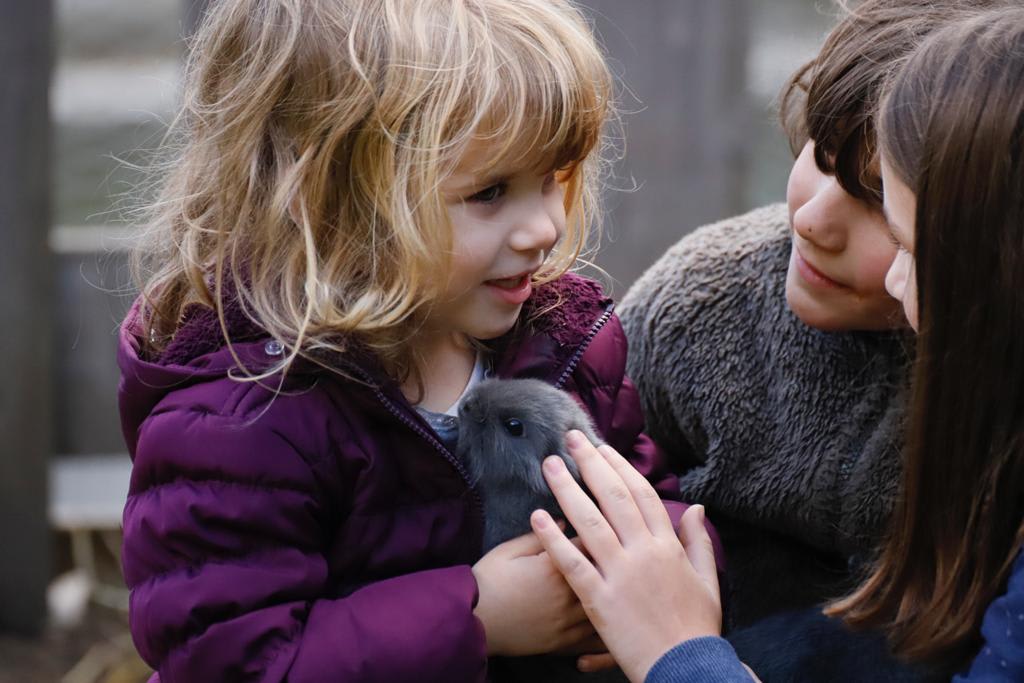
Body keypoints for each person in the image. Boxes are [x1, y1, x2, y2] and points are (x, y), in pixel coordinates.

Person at [115, 1, 700, 680]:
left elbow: (642, 495)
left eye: (552, 179)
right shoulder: (244, 417)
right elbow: (229, 657)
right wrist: (475, 617)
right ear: (328, 198)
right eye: (490, 191)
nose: (545, 227)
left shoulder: (561, 344)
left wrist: (675, 574)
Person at [533, 8, 1024, 682]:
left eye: (881, 206)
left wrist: (679, 654)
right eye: (820, 155)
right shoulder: (701, 307)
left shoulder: (995, 410)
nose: (813, 220)